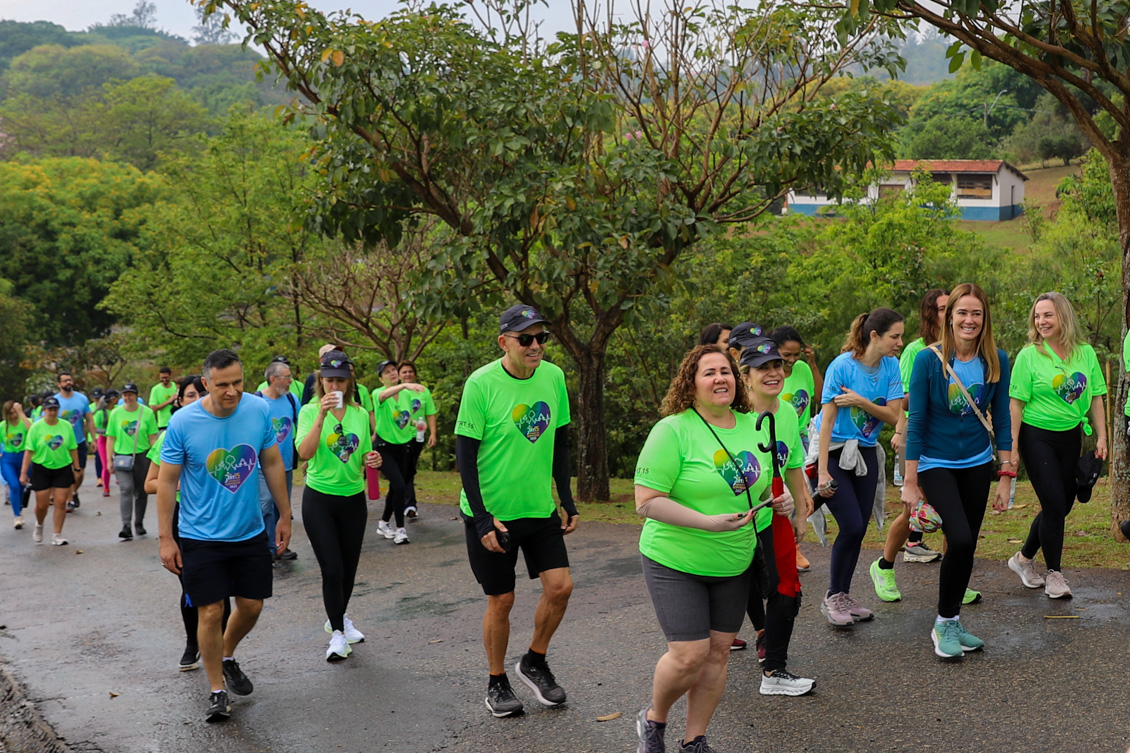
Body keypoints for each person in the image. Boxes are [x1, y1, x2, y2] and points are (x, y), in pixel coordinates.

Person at [632, 345, 787, 753]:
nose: (720, 378)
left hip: (734, 559)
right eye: (709, 373)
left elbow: (764, 483)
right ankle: (654, 721)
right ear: (691, 383)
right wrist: (706, 522)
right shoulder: (672, 430)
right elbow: (646, 501)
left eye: (726, 371)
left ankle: (694, 739)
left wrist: (781, 500)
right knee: (689, 655)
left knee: (718, 653)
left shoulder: (754, 424)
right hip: (675, 558)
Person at [455, 304, 579, 718]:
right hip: (492, 511)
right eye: (525, 338)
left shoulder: (554, 377)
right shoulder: (481, 384)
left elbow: (560, 443)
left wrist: (566, 497)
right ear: (504, 341)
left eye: (541, 337)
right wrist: (481, 517)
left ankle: (534, 661)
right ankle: (496, 683)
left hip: (538, 508)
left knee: (560, 587)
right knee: (502, 599)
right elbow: (465, 455)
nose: (535, 346)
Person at [157, 349, 292, 723]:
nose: (232, 391)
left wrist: (285, 514)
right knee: (211, 610)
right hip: (200, 535)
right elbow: (167, 481)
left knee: (251, 606)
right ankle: (217, 690)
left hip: (248, 529)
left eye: (238, 382)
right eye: (223, 385)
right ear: (205, 384)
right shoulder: (183, 422)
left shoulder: (258, 409)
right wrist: (166, 539)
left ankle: (226, 654)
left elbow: (271, 461)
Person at [895, 283, 1013, 658]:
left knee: (968, 545)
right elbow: (916, 422)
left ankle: (953, 620)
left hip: (978, 462)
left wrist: (1006, 474)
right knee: (958, 537)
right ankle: (942, 624)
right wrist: (910, 481)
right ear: (949, 317)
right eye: (962, 312)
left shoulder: (997, 359)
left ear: (985, 318)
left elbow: (1005, 423)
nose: (969, 319)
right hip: (935, 463)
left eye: (976, 313)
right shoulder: (928, 361)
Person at [1006, 292, 1107, 599]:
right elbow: (1015, 405)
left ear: (1063, 316)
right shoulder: (1028, 356)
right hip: (1037, 436)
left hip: (1071, 435)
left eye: (1048, 315)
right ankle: (1054, 574)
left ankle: (1022, 559)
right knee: (1053, 503)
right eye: (1037, 316)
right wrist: (1012, 447)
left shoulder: (1085, 353)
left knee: (1062, 505)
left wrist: (1102, 436)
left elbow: (1098, 396)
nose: (1041, 321)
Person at [816, 308, 905, 626]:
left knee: (860, 528)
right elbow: (826, 421)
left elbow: (895, 416)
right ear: (874, 336)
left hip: (866, 453)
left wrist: (861, 402)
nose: (899, 343)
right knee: (851, 525)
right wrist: (822, 469)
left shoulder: (891, 366)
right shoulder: (841, 366)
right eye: (895, 336)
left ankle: (843, 594)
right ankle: (832, 597)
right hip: (835, 452)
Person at [737, 338, 816, 695]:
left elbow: (794, 464)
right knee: (732, 590)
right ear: (746, 377)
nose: (773, 373)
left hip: (775, 512)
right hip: (733, 517)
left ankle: (774, 671)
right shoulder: (731, 415)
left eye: (777, 366)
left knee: (787, 589)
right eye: (762, 368)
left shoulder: (786, 411)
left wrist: (801, 511)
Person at [296, 350, 383, 660]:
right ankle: (337, 634)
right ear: (321, 380)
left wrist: (373, 459)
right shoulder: (308, 411)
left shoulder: (360, 414)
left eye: (341, 381)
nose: (335, 386)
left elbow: (363, 455)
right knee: (332, 569)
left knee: (347, 570)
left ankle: (340, 618)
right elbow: (304, 453)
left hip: (353, 499)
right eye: (329, 380)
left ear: (350, 381)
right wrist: (321, 415)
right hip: (319, 498)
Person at [144, 374, 232, 672]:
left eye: (199, 394)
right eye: (189, 396)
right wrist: (180, 484)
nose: (196, 401)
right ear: (179, 401)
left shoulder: (223, 430)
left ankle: (223, 651)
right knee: (194, 587)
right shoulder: (173, 434)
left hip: (222, 518)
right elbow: (151, 483)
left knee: (223, 588)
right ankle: (193, 643)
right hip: (186, 522)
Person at [884, 289, 951, 569]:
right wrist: (900, 432)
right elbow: (903, 399)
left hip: (952, 438)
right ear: (930, 313)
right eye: (944, 308)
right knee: (911, 508)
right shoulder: (915, 350)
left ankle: (954, 577)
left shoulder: (960, 345)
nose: (950, 313)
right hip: (920, 433)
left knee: (953, 511)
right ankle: (885, 564)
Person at [770, 325, 825, 572]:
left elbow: (821, 398)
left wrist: (812, 364)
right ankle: (787, 547)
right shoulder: (770, 375)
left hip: (801, 438)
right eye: (786, 356)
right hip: (777, 439)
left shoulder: (802, 368)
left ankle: (792, 545)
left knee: (801, 494)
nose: (791, 361)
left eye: (796, 355)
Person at [373, 359, 424, 544]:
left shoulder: (405, 396)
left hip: (403, 446)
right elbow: (385, 395)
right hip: (384, 448)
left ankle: (384, 523)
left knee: (396, 487)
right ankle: (400, 529)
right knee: (400, 485)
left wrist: (416, 423)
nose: (393, 373)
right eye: (387, 372)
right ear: (381, 379)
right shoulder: (378, 393)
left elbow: (405, 418)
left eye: (394, 369)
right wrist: (406, 386)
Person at [255, 359, 300, 561]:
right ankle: (266, 547)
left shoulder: (292, 400)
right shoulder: (257, 402)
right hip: (262, 465)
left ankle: (280, 546)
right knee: (265, 504)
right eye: (287, 377)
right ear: (273, 379)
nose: (290, 381)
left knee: (282, 507)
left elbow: (302, 426)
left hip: (287, 464)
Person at [19, 397, 79, 546]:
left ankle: (57, 534)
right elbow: (29, 451)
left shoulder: (65, 426)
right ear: (44, 410)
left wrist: (76, 467)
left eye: (55, 410)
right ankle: (39, 524)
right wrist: (23, 472)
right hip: (41, 468)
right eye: (49, 410)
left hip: (62, 467)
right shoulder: (36, 427)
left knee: (60, 502)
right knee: (42, 505)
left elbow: (73, 447)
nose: (52, 413)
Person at [106, 383, 159, 541]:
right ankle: (126, 525)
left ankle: (139, 523)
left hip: (142, 455)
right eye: (125, 395)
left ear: (136, 396)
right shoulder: (115, 413)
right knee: (126, 489)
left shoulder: (147, 413)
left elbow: (153, 438)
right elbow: (111, 437)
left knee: (141, 491)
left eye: (131, 394)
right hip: (122, 456)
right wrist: (109, 460)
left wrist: (156, 459)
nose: (128, 398)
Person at [398, 360, 437, 518]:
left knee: (409, 469)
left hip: (418, 436)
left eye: (410, 371)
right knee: (407, 470)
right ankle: (409, 504)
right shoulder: (396, 392)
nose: (407, 374)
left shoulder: (423, 391)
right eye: (404, 372)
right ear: (399, 375)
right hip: (400, 436)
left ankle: (404, 502)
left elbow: (430, 413)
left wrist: (433, 433)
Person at [53, 372, 95, 511]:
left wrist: (93, 439)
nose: (68, 383)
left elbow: (89, 419)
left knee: (79, 473)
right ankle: (69, 499)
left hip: (79, 442)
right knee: (66, 473)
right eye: (65, 381)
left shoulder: (81, 398)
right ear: (59, 384)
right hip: (61, 444)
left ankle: (73, 492)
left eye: (70, 380)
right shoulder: (55, 401)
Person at [1, 400, 31, 529]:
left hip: (24, 457)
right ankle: (17, 516)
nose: (14, 416)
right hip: (8, 458)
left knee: (21, 486)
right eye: (11, 413)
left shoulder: (25, 421)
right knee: (13, 485)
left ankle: (19, 508)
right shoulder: (3, 426)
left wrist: (21, 413)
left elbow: (31, 431)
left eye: (15, 413)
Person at [93, 390, 118, 498]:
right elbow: (95, 428)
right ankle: (106, 487)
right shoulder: (100, 413)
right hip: (103, 440)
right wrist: (107, 432)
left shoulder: (117, 410)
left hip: (117, 439)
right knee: (106, 464)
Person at [149, 367, 178, 431]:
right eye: (162, 378)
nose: (164, 380)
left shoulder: (176, 386)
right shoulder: (155, 389)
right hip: (163, 424)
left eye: (166, 377)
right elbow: (153, 408)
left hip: (177, 422)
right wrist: (169, 401)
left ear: (170, 376)